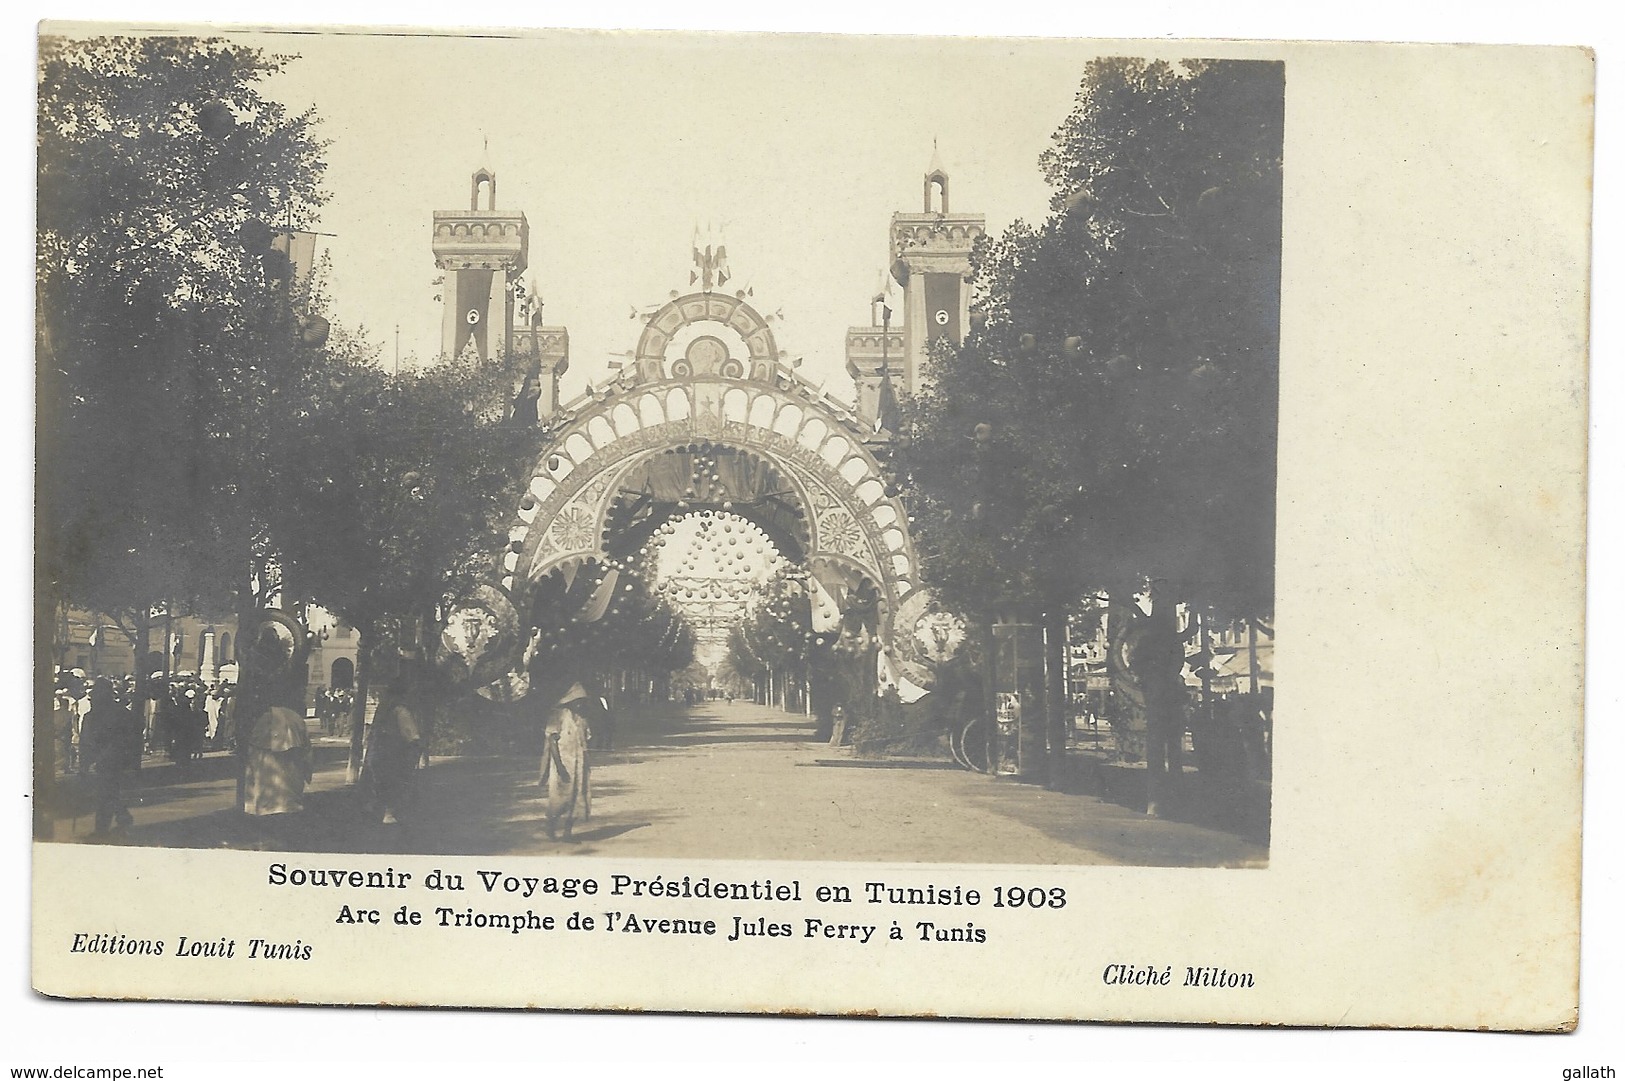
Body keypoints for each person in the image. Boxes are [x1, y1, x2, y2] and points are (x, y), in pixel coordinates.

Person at [78, 678, 140, 835]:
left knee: (104, 793)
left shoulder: (119, 713)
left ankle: (101, 828)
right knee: (108, 792)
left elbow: (131, 735)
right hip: (104, 760)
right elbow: (84, 741)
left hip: (112, 760)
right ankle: (121, 814)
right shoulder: (90, 716)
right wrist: (84, 764)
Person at [367, 674, 424, 826]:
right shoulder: (401, 710)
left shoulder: (384, 708)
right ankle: (389, 814)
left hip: (378, 750)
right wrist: (416, 746)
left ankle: (378, 812)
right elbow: (411, 733)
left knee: (381, 782)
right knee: (394, 782)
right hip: (394, 752)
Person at [539, 683, 594, 841]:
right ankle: (550, 827)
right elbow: (552, 741)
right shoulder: (558, 715)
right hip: (563, 764)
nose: (580, 704)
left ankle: (568, 832)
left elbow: (587, 740)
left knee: (578, 798)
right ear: (570, 701)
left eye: (582, 701)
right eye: (578, 701)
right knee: (559, 799)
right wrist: (560, 766)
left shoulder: (583, 719)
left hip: (581, 764)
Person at [242, 699, 313, 818]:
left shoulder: (261, 721)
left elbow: (252, 753)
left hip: (265, 782)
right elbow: (307, 752)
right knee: (288, 807)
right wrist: (307, 772)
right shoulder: (296, 719)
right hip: (290, 781)